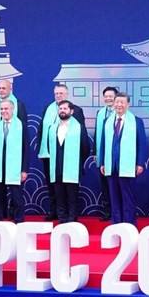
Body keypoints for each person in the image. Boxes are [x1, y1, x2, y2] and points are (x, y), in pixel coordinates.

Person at [39, 83, 85, 221]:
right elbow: (43, 129)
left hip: (70, 157)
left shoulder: (76, 110)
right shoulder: (48, 108)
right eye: (56, 93)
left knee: (70, 187)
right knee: (53, 185)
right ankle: (55, 212)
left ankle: (71, 215)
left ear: (67, 94)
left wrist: (79, 158)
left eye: (61, 93)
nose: (58, 96)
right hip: (49, 154)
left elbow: (82, 137)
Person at [100, 92, 147, 225]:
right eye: (117, 102)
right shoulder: (107, 121)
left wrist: (140, 163)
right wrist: (103, 162)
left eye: (122, 102)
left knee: (128, 198)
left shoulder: (136, 121)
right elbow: (103, 143)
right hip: (111, 165)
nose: (119, 105)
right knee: (114, 198)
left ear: (128, 104)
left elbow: (141, 143)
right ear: (113, 104)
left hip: (128, 166)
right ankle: (116, 225)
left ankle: (129, 226)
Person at [48, 101, 90, 223]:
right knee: (59, 195)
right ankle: (62, 219)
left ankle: (72, 219)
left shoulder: (79, 127)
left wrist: (76, 162)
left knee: (72, 196)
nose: (62, 110)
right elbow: (49, 147)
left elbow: (85, 147)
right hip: (56, 168)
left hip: (72, 168)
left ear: (71, 111)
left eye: (65, 108)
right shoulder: (52, 128)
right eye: (60, 108)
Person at [0, 100, 28, 223]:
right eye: (1, 109)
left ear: (12, 110)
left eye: (6, 109)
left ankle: (18, 219)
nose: (3, 111)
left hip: (15, 166)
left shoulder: (21, 126)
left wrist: (24, 169)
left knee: (16, 196)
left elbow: (26, 148)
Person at [0, 79, 27, 163]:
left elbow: (23, 130)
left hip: (14, 148)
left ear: (10, 89)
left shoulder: (19, 105)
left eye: (4, 88)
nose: (1, 90)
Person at [94, 86, 118, 221]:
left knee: (116, 186)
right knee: (105, 186)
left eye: (111, 96)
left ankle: (117, 211)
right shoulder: (100, 113)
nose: (108, 98)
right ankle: (107, 211)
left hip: (115, 156)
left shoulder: (120, 113)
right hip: (103, 156)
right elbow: (98, 135)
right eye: (106, 96)